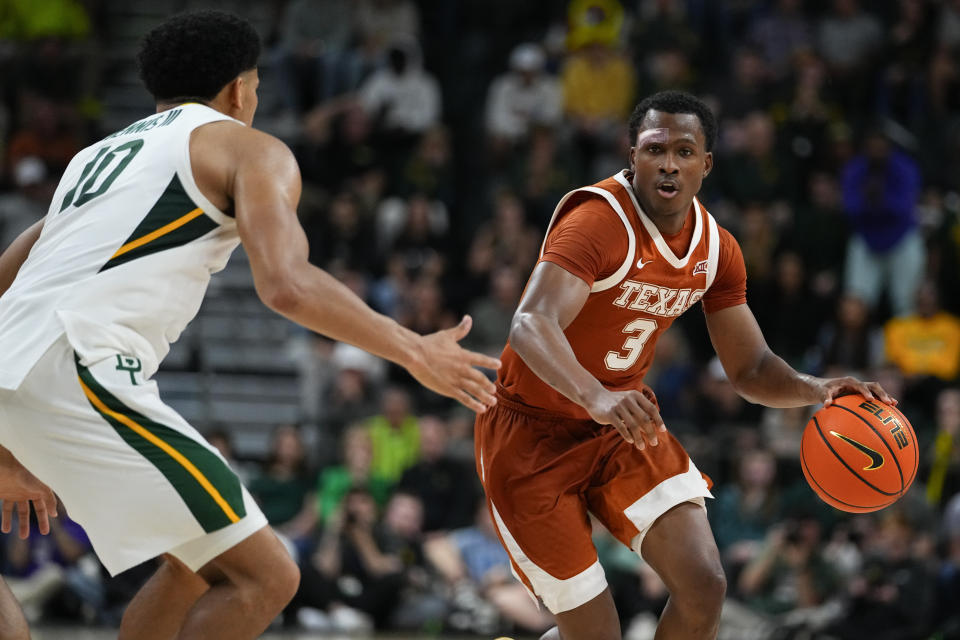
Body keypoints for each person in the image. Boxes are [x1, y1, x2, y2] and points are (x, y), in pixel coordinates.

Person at [0, 10, 499, 640]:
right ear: (241, 89)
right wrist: (412, 349)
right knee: (267, 577)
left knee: (193, 566)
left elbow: (7, 280)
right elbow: (287, 285)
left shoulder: (91, 162)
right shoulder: (247, 147)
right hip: (80, 366)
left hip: (20, 364)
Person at [474, 90, 896, 640]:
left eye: (683, 150)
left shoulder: (717, 250)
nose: (668, 163)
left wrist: (819, 388)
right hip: (531, 435)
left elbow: (750, 369)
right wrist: (596, 396)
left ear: (706, 164)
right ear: (633, 156)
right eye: (654, 149)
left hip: (623, 428)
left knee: (705, 584)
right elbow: (530, 323)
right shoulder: (598, 222)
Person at [0, 445, 58, 640]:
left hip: (57, 583)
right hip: (23, 583)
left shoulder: (70, 525)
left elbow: (72, 555)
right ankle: (26, 602)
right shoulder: (29, 525)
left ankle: (27, 602)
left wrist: (55, 522)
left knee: (54, 575)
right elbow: (17, 561)